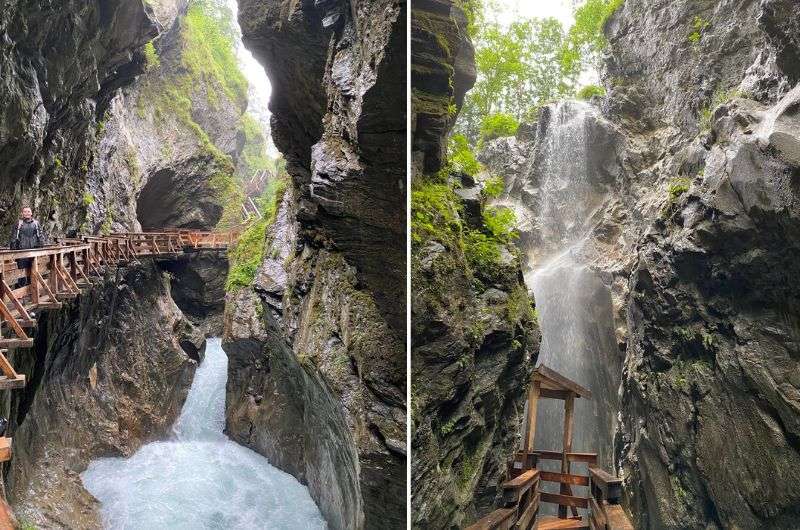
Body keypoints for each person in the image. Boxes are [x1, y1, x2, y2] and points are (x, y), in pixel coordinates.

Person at [9, 206, 45, 289]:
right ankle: (20, 293)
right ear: (22, 213)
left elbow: (40, 236)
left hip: (33, 251)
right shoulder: (19, 223)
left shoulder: (36, 223)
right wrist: (13, 250)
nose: (27, 213)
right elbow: (14, 236)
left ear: (31, 213)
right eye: (25, 211)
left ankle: (31, 292)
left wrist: (41, 247)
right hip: (21, 252)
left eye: (28, 211)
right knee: (21, 274)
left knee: (33, 272)